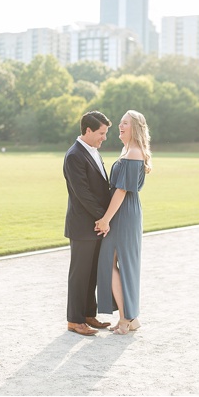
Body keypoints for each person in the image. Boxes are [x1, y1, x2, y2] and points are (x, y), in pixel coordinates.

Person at [95, 110, 152, 335]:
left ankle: (126, 318)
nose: (120, 126)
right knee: (113, 263)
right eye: (120, 122)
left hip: (123, 213)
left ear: (135, 127)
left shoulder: (134, 153)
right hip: (124, 211)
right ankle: (129, 317)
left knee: (116, 263)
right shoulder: (127, 150)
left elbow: (121, 190)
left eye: (125, 123)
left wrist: (106, 219)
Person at [63, 111, 114, 336]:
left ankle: (87, 314)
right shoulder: (74, 155)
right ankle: (74, 320)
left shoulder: (92, 152)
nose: (104, 137)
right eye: (101, 133)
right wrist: (103, 218)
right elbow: (82, 193)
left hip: (95, 225)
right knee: (79, 274)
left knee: (92, 272)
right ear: (88, 130)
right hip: (84, 226)